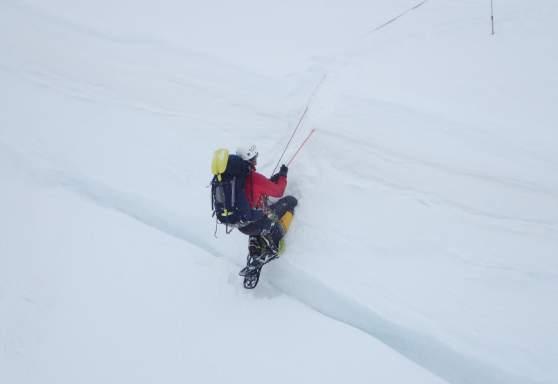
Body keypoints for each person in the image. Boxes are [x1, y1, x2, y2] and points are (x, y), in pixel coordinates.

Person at [235, 145, 298, 266]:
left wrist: (269, 182)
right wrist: (283, 176)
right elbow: (279, 191)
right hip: (256, 223)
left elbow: (253, 192)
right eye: (254, 158)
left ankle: (255, 239)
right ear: (249, 160)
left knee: (264, 206)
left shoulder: (237, 178)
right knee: (291, 201)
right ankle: (275, 238)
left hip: (241, 224)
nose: (256, 161)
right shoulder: (254, 178)